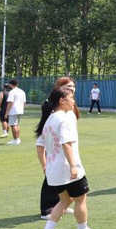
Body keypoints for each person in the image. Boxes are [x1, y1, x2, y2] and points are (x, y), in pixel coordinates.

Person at [35, 87, 100, 229]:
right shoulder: (63, 119)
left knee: (65, 201)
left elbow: (41, 144)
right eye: (71, 98)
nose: (74, 101)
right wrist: (73, 166)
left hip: (54, 170)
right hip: (67, 169)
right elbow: (66, 144)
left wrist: (45, 166)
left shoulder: (49, 119)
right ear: (62, 100)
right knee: (81, 199)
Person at [39, 77, 79, 220]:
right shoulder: (53, 108)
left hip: (68, 148)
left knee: (65, 179)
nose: (71, 89)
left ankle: (62, 205)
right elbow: (43, 134)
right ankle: (47, 208)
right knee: (51, 178)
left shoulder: (71, 105)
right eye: (67, 86)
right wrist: (43, 162)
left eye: (73, 86)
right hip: (56, 149)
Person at [5, 78, 26, 145]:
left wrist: (7, 113)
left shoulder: (11, 92)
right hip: (20, 110)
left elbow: (10, 103)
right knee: (16, 125)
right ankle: (18, 139)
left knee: (13, 125)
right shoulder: (22, 91)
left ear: (10, 84)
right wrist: (22, 109)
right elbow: (24, 102)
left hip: (13, 110)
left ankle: (15, 139)